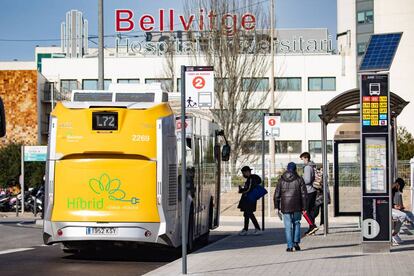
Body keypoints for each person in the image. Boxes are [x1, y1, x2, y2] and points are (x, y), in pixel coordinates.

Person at [274, 162, 307, 252]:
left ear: (287, 169)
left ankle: (289, 246)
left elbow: (276, 194)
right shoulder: (300, 179)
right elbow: (304, 194)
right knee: (296, 223)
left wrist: (276, 207)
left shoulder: (281, 180)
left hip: (285, 206)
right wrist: (304, 207)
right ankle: (296, 243)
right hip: (297, 205)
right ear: (295, 169)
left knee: (288, 227)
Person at [237, 166, 262, 236]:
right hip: (249, 199)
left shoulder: (251, 179)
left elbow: (249, 189)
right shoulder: (250, 179)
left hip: (250, 199)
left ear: (247, 172)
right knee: (246, 214)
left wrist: (241, 190)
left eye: (243, 173)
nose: (243, 174)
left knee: (250, 214)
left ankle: (257, 228)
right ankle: (245, 229)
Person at [300, 152, 318, 235]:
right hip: (313, 191)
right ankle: (311, 228)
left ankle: (312, 226)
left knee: (304, 210)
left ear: (306, 158)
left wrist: (301, 179)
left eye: (303, 159)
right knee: (310, 211)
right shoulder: (313, 166)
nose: (302, 161)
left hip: (308, 191)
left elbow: (307, 180)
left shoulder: (307, 167)